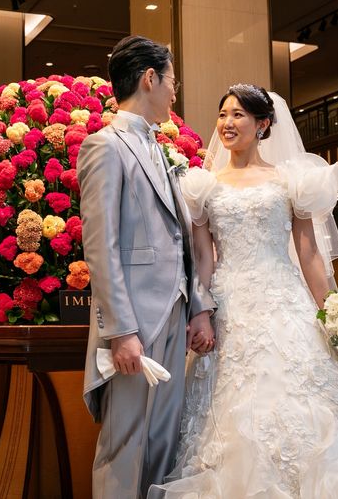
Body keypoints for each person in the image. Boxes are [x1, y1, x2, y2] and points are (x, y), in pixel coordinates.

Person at [153, 84, 338, 498]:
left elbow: (309, 254)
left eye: (238, 115)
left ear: (263, 125)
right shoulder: (203, 186)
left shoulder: (290, 182)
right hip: (229, 306)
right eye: (223, 114)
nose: (227, 123)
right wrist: (201, 312)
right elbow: (203, 258)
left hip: (284, 302)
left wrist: (332, 314)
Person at [78, 35, 216, 499]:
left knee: (163, 442)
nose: (175, 92)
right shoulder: (104, 146)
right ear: (149, 78)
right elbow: (101, 246)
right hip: (135, 320)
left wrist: (196, 306)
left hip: (174, 311)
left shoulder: (160, 148)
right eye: (172, 81)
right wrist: (121, 331)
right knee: (125, 444)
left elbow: (181, 240)